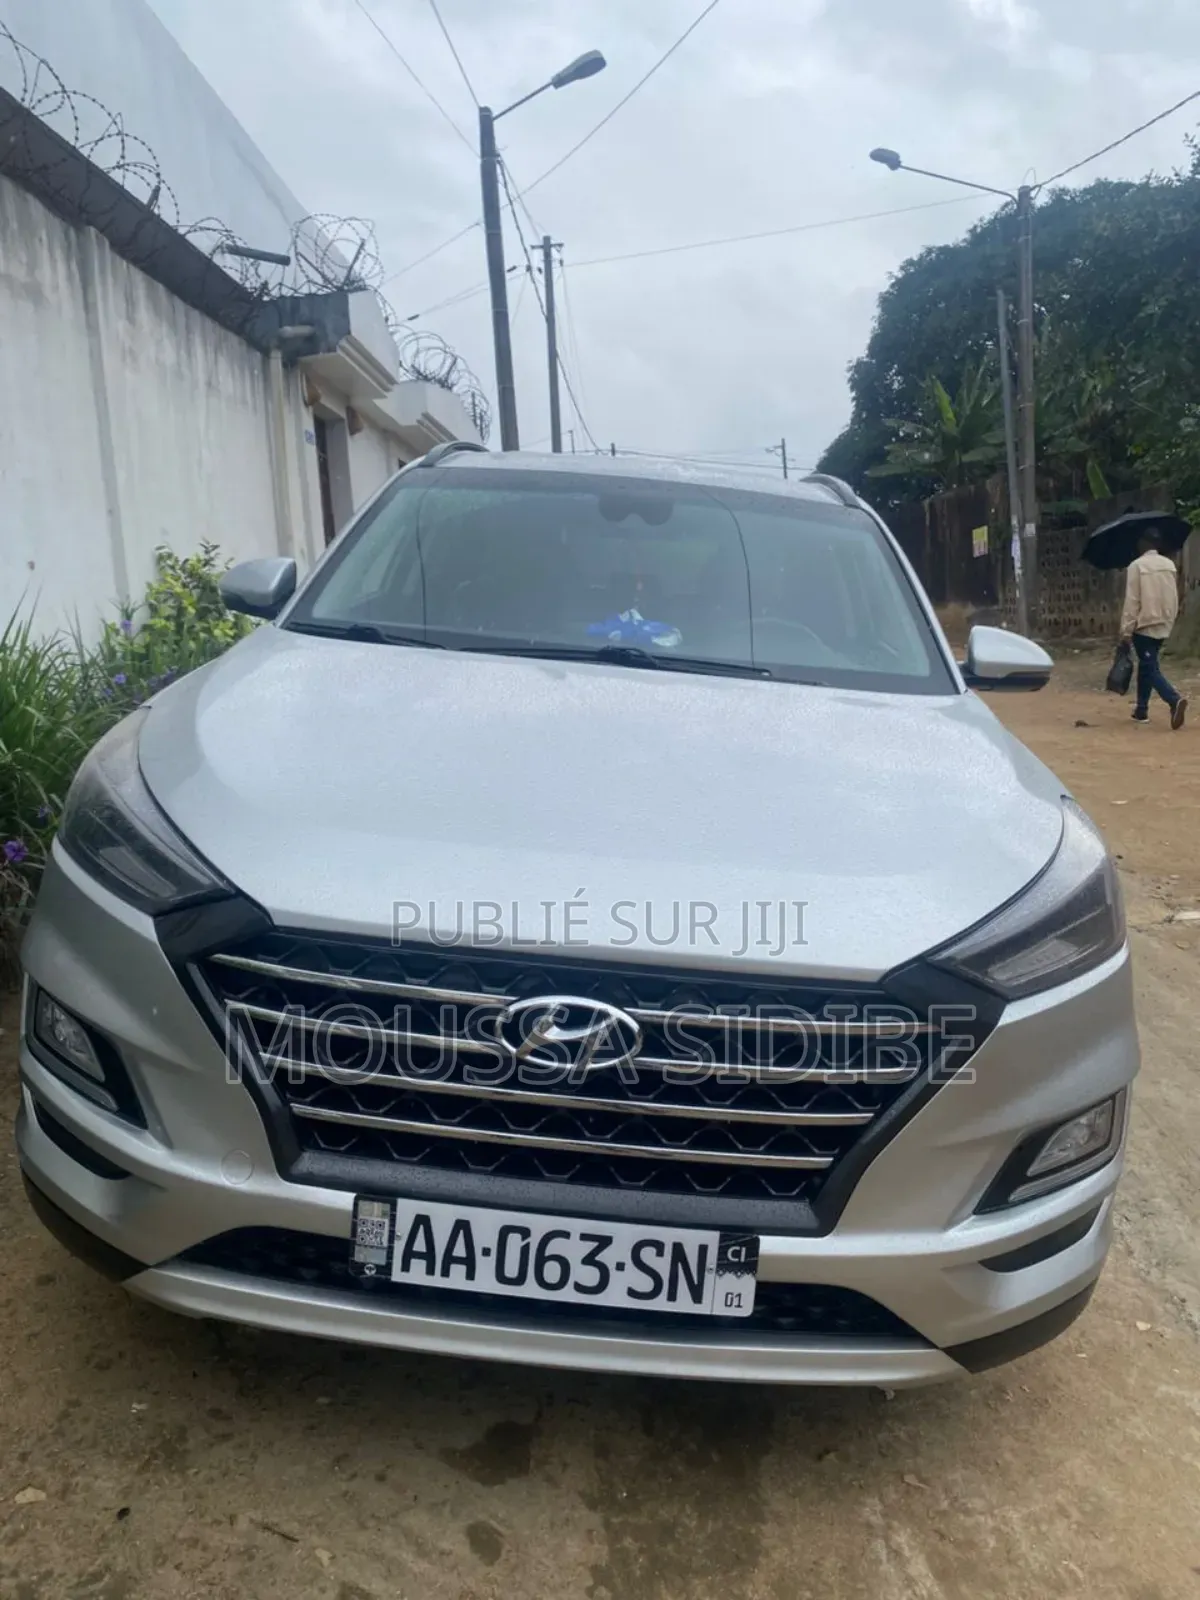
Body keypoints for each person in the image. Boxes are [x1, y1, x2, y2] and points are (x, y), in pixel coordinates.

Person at [1120, 531, 1187, 728]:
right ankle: (1141, 710)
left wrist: (1125, 630)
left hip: (1145, 623)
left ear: (1142, 544)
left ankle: (1174, 700)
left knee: (1150, 668)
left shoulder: (1136, 566)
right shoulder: (1169, 565)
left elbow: (1132, 601)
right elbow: (1176, 593)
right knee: (1147, 664)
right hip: (1165, 621)